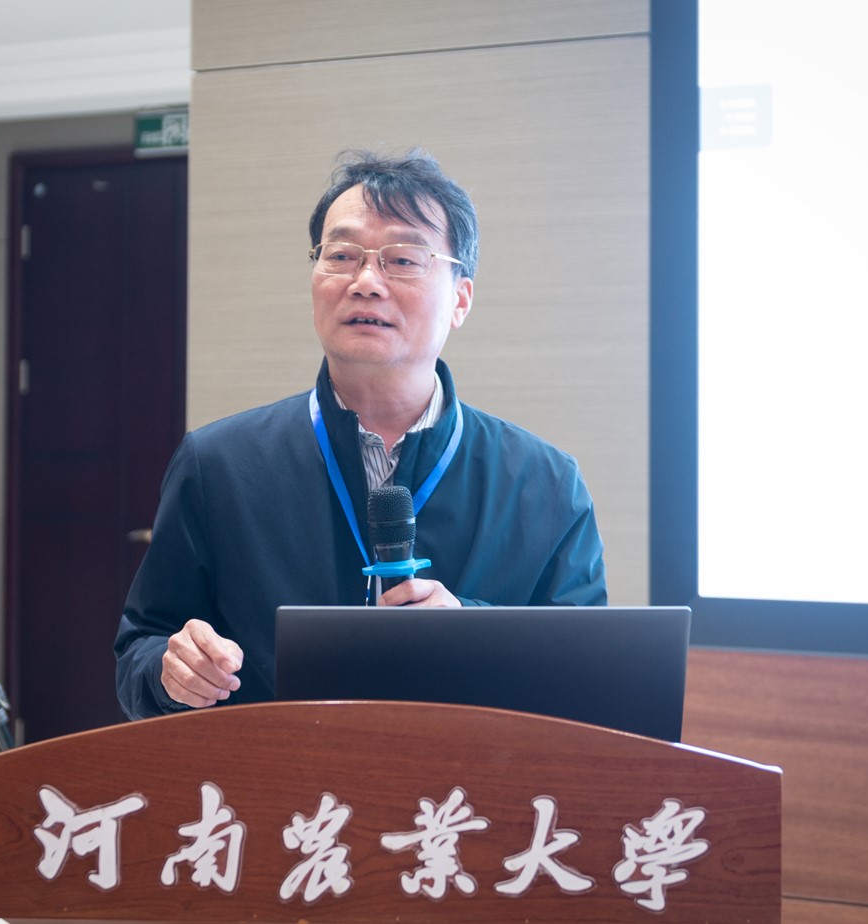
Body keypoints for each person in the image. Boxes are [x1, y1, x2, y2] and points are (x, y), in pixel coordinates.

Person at [114, 149, 607, 720]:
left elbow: (590, 680)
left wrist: (475, 635)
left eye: (403, 259)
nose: (366, 282)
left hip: (465, 777)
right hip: (279, 774)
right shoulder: (218, 464)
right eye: (342, 255)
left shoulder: (545, 484)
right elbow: (141, 644)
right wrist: (170, 670)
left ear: (461, 299)